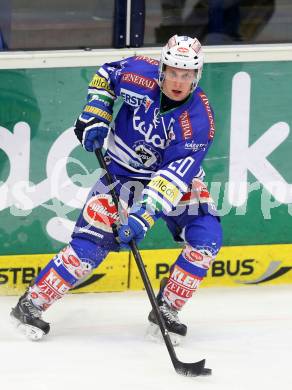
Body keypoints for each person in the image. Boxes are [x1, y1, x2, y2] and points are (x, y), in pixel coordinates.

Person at [11, 35, 223, 345]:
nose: (178, 81)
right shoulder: (140, 73)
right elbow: (107, 74)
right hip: (121, 176)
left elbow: (174, 178)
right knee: (88, 249)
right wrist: (97, 112)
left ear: (197, 76)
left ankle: (167, 308)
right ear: (163, 68)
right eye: (174, 72)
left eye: (187, 74)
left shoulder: (198, 119)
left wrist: (143, 216)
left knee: (207, 239)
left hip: (175, 184)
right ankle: (30, 304)